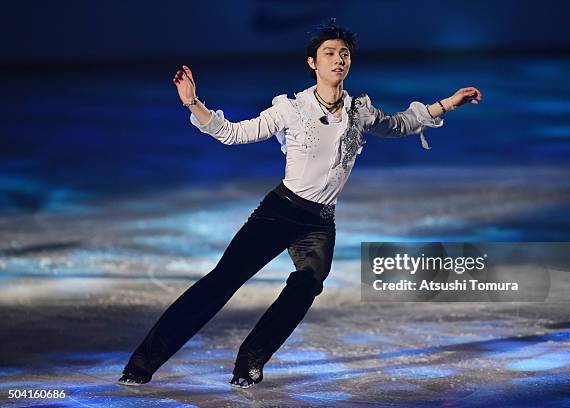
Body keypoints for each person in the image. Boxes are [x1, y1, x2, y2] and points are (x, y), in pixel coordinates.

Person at [118, 19, 482, 389]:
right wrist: (193, 103)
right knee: (220, 284)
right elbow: (233, 133)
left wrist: (447, 104)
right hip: (280, 211)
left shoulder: (359, 110)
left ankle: (250, 360)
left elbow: (399, 124)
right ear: (313, 63)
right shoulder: (291, 108)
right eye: (329, 53)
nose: (338, 59)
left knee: (307, 284)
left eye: (344, 54)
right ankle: (142, 363)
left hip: (320, 222)